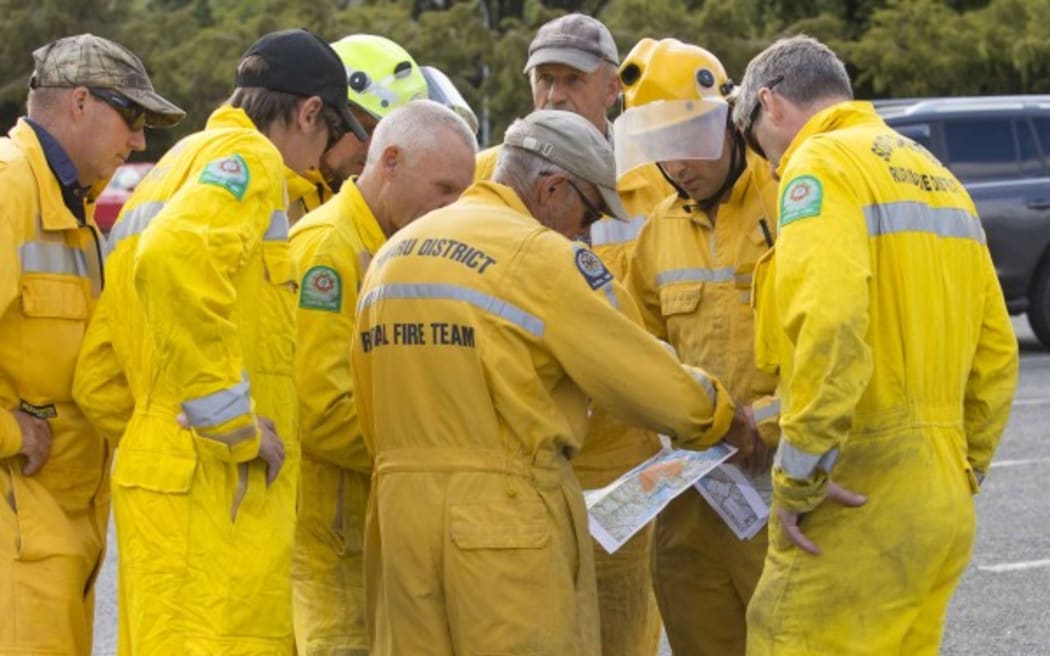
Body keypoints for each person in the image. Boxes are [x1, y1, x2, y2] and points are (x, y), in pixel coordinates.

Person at [351, 108, 749, 656]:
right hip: (502, 523)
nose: (583, 232)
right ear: (554, 188)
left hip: (395, 519)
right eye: (585, 215)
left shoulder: (392, 254)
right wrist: (719, 413)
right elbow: (638, 376)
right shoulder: (538, 255)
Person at [72, 28, 364, 653]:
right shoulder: (252, 159)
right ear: (312, 112)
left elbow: (98, 381)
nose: (321, 159)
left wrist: (165, 430)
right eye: (332, 132)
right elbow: (176, 257)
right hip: (218, 496)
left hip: (160, 483)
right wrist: (229, 424)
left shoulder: (168, 171)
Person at [731, 35, 1018, 655]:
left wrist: (800, 479)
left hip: (856, 497)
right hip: (939, 500)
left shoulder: (819, 166)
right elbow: (996, 351)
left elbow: (830, 326)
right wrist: (961, 466)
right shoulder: (938, 176)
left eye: (759, 144)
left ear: (770, 104)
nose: (770, 164)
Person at [474, 15, 670, 653]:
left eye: (571, 80)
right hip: (522, 465)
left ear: (612, 88)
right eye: (544, 79)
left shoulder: (652, 189)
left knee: (622, 633)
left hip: (624, 470)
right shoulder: (493, 178)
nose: (555, 95)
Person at [0, 33, 183, 656]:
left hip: (56, 534)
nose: (138, 140)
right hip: (18, 527)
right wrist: (9, 432)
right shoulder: (8, 190)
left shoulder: (69, 211)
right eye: (130, 118)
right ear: (79, 103)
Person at [290, 99, 477, 655]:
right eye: (444, 189)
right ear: (389, 161)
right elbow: (322, 412)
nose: (452, 208)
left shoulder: (394, 245)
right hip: (332, 540)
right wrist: (428, 451)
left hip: (374, 525)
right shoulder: (329, 248)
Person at [614, 37, 780, 656]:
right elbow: (637, 349)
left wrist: (766, 425)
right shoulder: (659, 232)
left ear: (730, 120)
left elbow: (833, 346)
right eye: (661, 148)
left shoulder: (789, 199)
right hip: (690, 506)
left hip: (780, 490)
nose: (678, 164)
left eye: (690, 140)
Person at [288, 34, 429, 222]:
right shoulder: (266, 191)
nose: (376, 148)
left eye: (389, 136)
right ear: (317, 113)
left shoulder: (388, 211)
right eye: (366, 129)